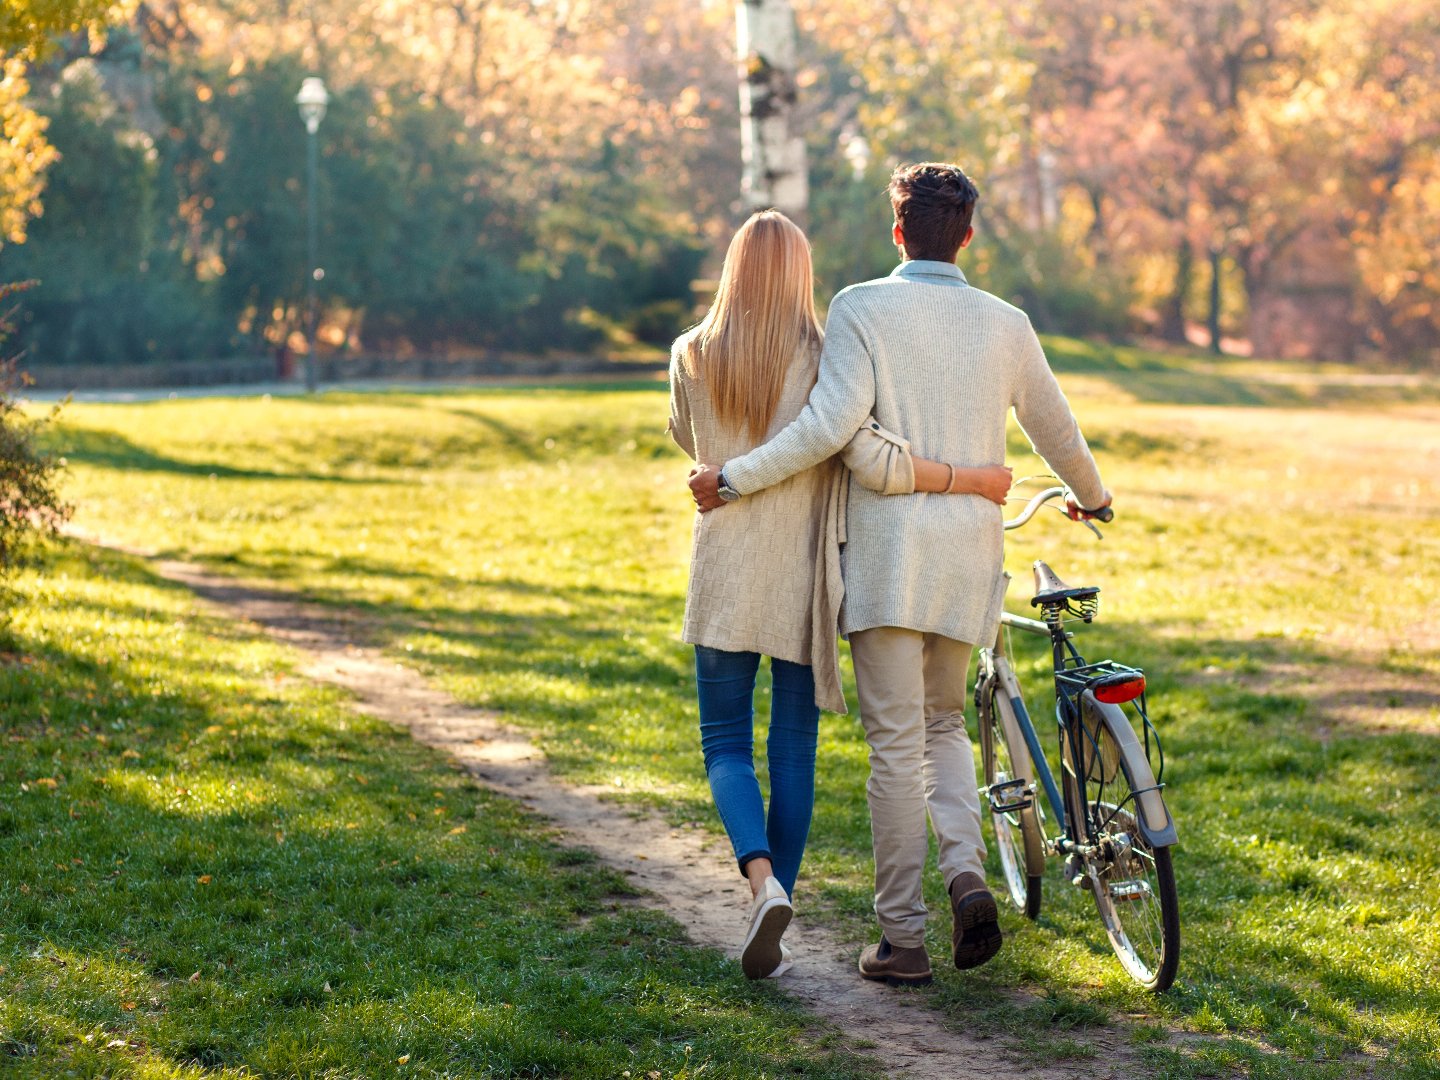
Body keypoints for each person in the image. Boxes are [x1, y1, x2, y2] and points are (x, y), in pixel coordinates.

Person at [689, 164, 1111, 987]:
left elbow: (831, 427)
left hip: (885, 561)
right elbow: (1054, 425)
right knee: (945, 726)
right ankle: (965, 872)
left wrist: (734, 477)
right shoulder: (1006, 322)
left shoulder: (861, 308)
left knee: (893, 746)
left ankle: (903, 942)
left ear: (897, 232)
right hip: (967, 559)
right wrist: (1092, 497)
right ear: (968, 235)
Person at [668, 209, 1012, 980]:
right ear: (801, 274)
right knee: (792, 745)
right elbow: (838, 439)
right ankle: (777, 910)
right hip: (806, 575)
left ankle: (762, 886)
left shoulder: (691, 352)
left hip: (723, 569)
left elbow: (692, 445)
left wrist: (727, 470)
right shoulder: (825, 355)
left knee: (724, 742)